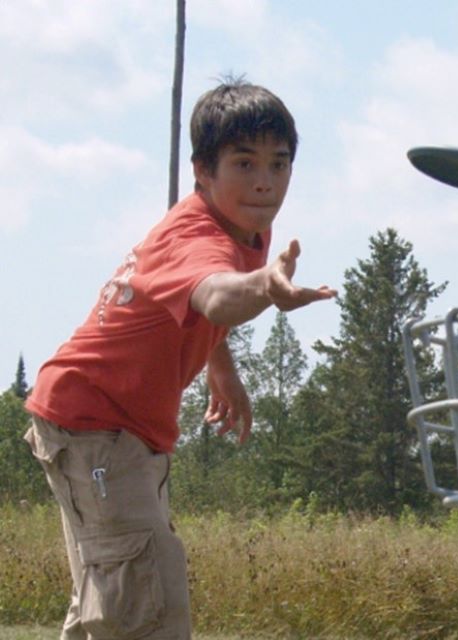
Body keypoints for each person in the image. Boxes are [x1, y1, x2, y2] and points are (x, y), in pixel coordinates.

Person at [23, 77, 337, 640]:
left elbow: (193, 309)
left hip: (116, 430)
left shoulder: (245, 226)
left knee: (115, 591)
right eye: (244, 164)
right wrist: (266, 286)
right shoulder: (196, 235)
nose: (265, 184)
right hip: (95, 427)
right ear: (202, 170)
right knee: (145, 602)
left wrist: (224, 371)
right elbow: (215, 292)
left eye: (278, 163)